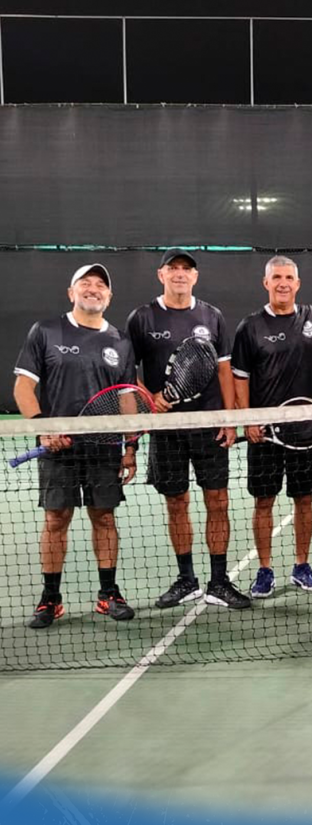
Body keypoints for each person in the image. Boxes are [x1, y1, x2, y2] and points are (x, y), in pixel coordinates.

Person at [13, 264, 138, 628]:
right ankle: (50, 599)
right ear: (71, 292)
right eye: (85, 283)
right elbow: (23, 387)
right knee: (56, 519)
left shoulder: (120, 341)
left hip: (104, 446)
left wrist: (131, 445)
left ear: (109, 297)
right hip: (57, 448)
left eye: (101, 285)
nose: (93, 289)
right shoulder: (46, 331)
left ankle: (108, 594)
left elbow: (126, 397)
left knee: (104, 517)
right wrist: (44, 428)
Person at [127, 249, 251, 609]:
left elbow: (224, 369)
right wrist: (149, 397)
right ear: (161, 274)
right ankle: (187, 579)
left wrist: (228, 419)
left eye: (187, 269)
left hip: (208, 425)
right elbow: (126, 369)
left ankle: (219, 582)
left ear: (195, 277)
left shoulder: (212, 316)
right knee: (176, 502)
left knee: (218, 500)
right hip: (166, 428)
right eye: (173, 268)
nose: (180, 274)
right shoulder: (142, 318)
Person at [232, 256, 312, 596]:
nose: (283, 283)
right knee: (263, 502)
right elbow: (240, 377)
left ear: (298, 283)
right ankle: (264, 570)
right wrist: (249, 419)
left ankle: (301, 565)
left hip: (306, 432)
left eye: (289, 277)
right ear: (266, 283)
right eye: (276, 277)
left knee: (304, 500)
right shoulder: (249, 327)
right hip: (265, 434)